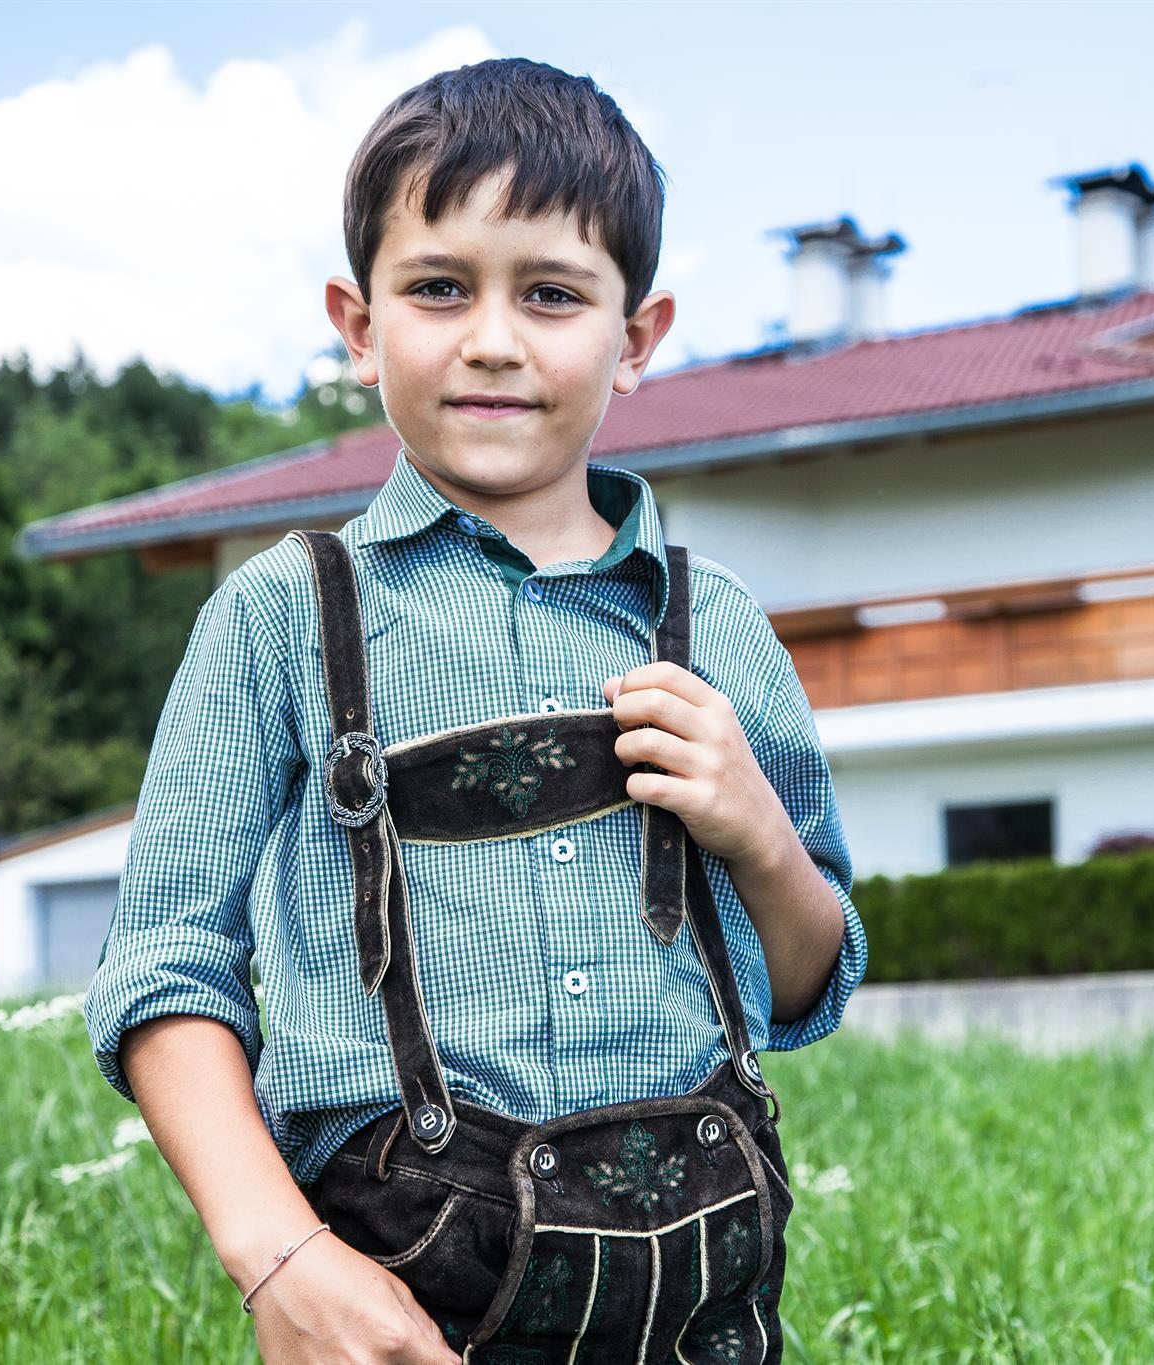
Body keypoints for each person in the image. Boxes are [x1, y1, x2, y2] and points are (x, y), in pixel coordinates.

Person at [81, 56, 869, 1364]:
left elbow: (808, 982)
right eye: (440, 287)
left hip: (698, 1264)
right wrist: (280, 1257)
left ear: (637, 338)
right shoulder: (284, 614)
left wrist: (760, 835)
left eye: (552, 293)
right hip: (401, 1269)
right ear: (357, 324)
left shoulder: (716, 621)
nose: (494, 339)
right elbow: (165, 965)